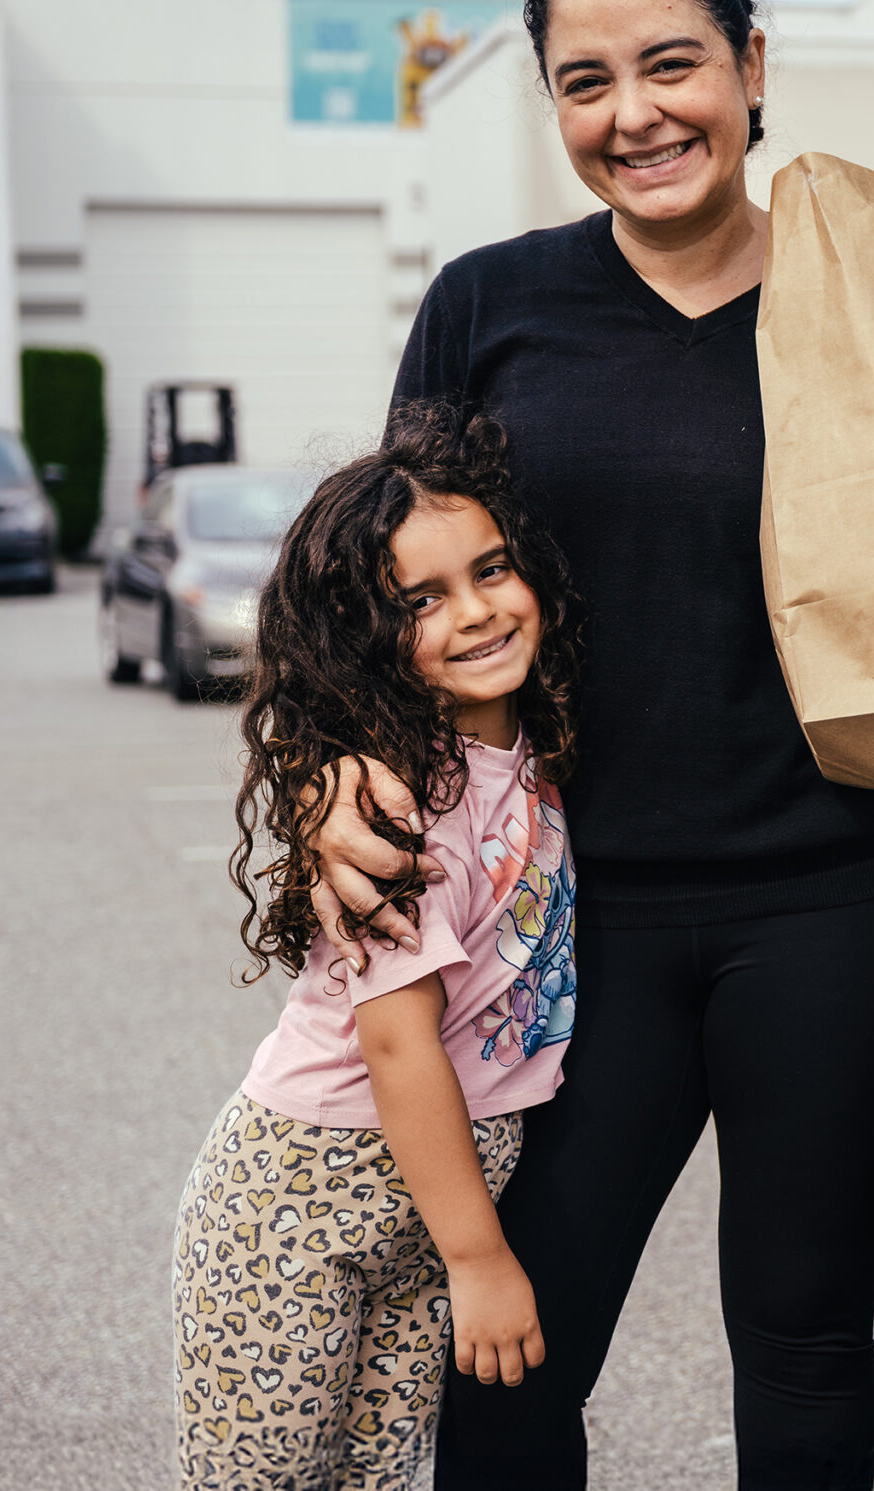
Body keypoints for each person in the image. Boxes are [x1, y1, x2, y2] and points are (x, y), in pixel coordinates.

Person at [303, 0, 874, 1490]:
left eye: (672, 64)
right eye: (585, 84)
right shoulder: (490, 305)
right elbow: (374, 590)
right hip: (557, 909)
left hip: (847, 889)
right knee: (513, 1341)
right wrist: (343, 762)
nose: (635, 116)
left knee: (807, 1343)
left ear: (751, 65)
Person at [175, 404, 582, 1489]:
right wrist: (480, 1258)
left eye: (492, 571)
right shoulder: (397, 801)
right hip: (302, 1205)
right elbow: (400, 1049)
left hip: (428, 1212)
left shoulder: (530, 743)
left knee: (373, 1480)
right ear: (364, 635)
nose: (479, 611)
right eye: (424, 599)